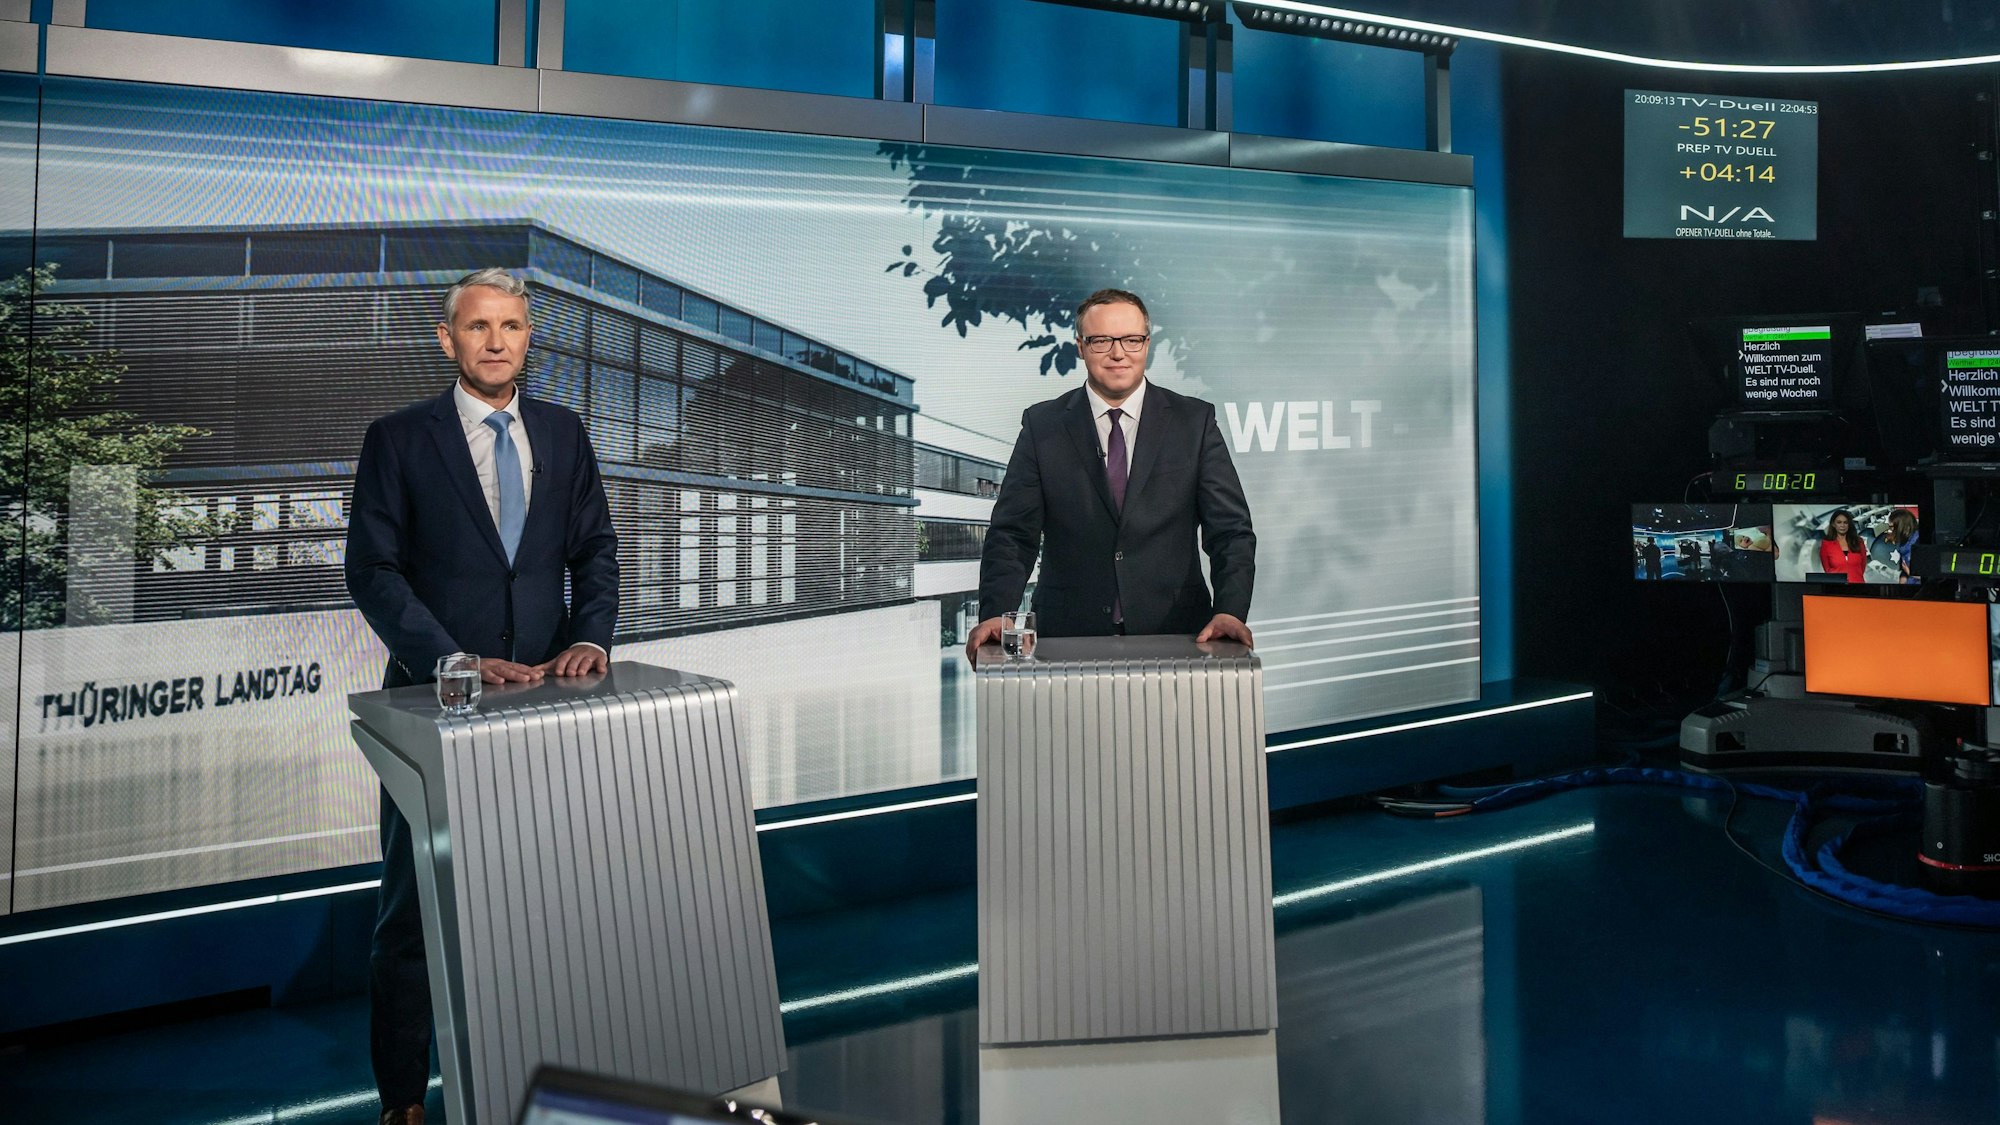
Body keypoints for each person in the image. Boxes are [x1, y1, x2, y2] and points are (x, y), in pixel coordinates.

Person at [345, 267, 619, 1125]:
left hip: (544, 703)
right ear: (447, 337)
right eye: (478, 327)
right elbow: (373, 571)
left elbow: (596, 553)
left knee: (546, 901)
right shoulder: (398, 438)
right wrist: (450, 657)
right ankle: (402, 1103)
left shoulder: (566, 435)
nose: (496, 341)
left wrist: (590, 636)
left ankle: (538, 1081)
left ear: (529, 337)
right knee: (414, 912)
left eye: (511, 326)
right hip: (436, 706)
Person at [966, 288, 1255, 660]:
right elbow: (1012, 535)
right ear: (1081, 347)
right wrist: (994, 612)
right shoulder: (1043, 426)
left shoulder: (1194, 422)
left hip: (1181, 633)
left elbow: (1230, 531)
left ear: (1147, 344)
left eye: (1131, 340)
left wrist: (1230, 608)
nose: (1118, 353)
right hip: (1067, 636)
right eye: (1101, 340)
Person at [1816, 508, 1867, 584]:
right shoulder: (1826, 544)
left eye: (1845, 522)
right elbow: (1827, 570)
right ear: (1833, 524)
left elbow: (1863, 565)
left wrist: (1854, 577)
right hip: (1837, 588)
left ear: (1849, 524)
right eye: (1839, 522)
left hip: (1858, 586)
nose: (1842, 525)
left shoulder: (1859, 541)